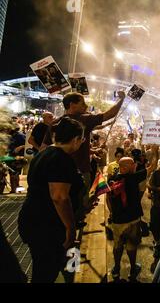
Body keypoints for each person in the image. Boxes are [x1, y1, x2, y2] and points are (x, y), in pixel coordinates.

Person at [18, 117, 85, 283]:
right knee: (46, 273)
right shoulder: (61, 159)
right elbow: (59, 197)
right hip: (46, 226)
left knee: (65, 262)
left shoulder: (45, 153)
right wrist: (70, 228)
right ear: (76, 139)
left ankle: (73, 277)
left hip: (38, 220)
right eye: (82, 139)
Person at [42, 91, 126, 223]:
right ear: (72, 105)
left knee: (62, 202)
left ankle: (67, 226)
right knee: (78, 201)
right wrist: (122, 99)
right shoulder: (83, 119)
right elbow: (109, 114)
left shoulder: (55, 123)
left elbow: (44, 147)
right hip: (80, 170)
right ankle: (71, 229)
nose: (86, 106)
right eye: (82, 103)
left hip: (56, 172)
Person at [107, 155, 157, 282]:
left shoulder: (112, 179)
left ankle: (116, 269)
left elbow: (108, 199)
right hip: (132, 220)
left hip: (117, 220)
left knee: (117, 245)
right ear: (127, 167)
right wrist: (155, 150)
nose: (134, 166)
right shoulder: (132, 178)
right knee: (131, 245)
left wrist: (112, 213)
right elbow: (153, 167)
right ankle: (132, 270)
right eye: (132, 164)